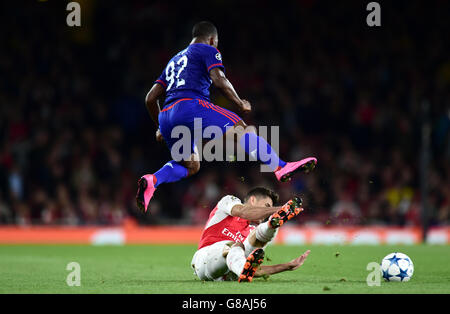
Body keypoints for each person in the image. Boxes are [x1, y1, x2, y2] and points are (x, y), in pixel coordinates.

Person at [137, 21, 317, 213]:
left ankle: (153, 180)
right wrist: (240, 103)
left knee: (191, 165)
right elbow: (219, 79)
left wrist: (160, 127)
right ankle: (280, 167)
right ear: (213, 39)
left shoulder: (174, 60)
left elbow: (150, 99)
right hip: (191, 105)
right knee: (242, 129)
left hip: (166, 114)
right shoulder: (207, 50)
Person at [191, 187, 311, 282]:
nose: (266, 213)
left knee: (256, 238)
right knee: (235, 245)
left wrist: (287, 266)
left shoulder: (254, 231)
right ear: (253, 200)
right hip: (205, 259)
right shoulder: (229, 202)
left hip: (228, 274)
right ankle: (274, 223)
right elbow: (244, 212)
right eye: (267, 206)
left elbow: (254, 270)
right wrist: (280, 209)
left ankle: (272, 225)